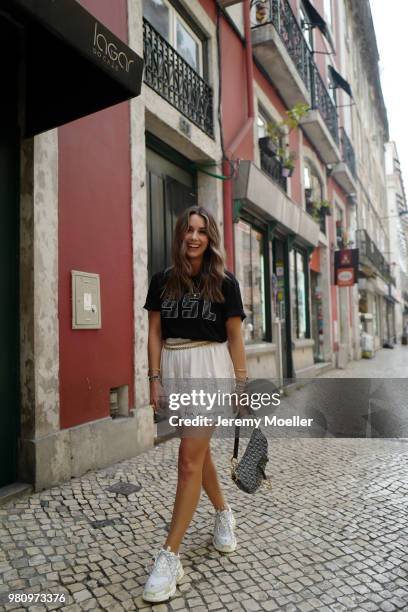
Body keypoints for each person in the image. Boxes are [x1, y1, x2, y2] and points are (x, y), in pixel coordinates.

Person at [142, 205, 247, 603]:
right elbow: (154, 331)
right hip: (175, 366)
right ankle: (223, 514)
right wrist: (154, 377)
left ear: (211, 237)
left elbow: (235, 337)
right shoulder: (162, 281)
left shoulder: (225, 281)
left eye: (202, 231)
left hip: (209, 365)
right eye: (188, 229)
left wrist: (241, 385)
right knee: (198, 455)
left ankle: (170, 556)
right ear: (179, 235)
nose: (194, 236)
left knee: (187, 459)